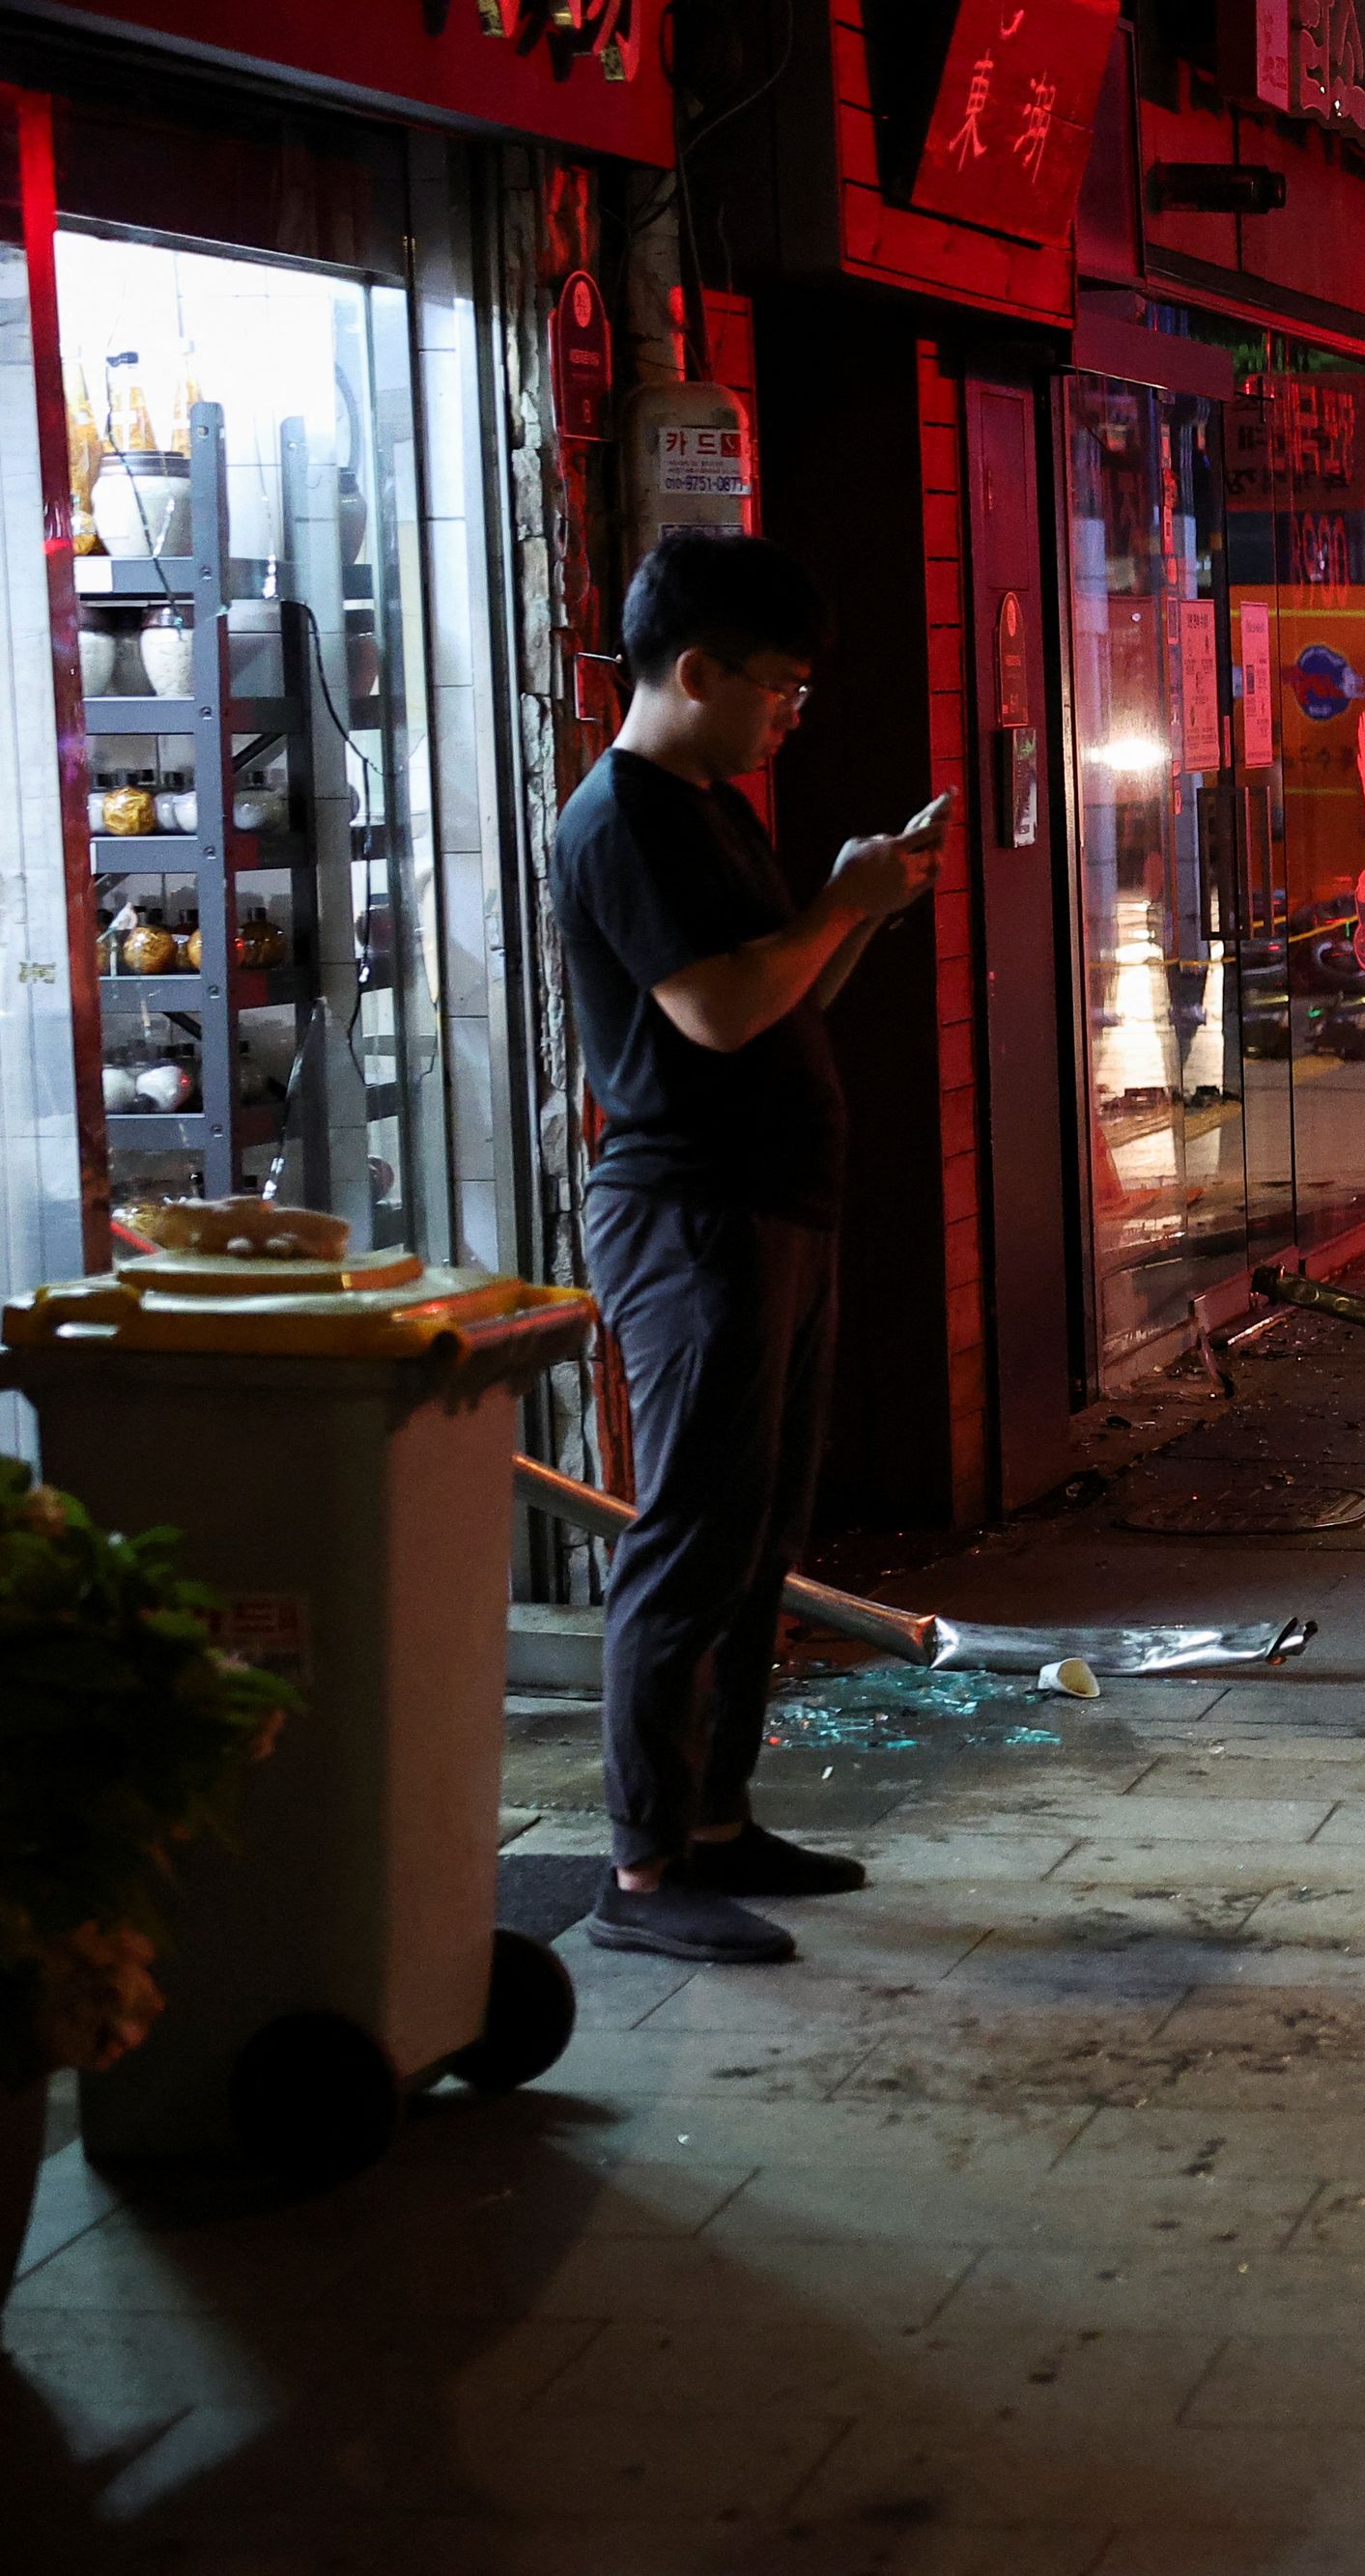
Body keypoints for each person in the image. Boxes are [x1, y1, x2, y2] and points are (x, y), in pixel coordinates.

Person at [553, 530, 951, 1965]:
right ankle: (645, 1871)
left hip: (772, 1203)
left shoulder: (711, 804)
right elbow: (715, 1014)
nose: (791, 710)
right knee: (693, 1533)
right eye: (777, 684)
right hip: (692, 1211)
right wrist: (836, 904)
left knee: (760, 1532)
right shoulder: (624, 817)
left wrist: (859, 909)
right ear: (696, 667)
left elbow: (781, 992)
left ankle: (718, 1822)